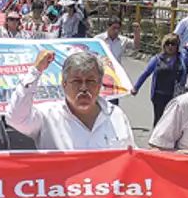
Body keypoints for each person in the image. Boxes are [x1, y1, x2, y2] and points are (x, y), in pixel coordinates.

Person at [7, 49, 135, 151]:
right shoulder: (48, 116)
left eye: (90, 81)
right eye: (77, 81)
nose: (84, 88)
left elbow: (131, 158)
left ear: (99, 84)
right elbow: (15, 119)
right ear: (64, 84)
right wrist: (36, 71)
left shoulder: (116, 115)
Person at [131, 33, 188, 126]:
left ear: (177, 46)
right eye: (168, 43)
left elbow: (186, 73)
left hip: (175, 95)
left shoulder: (182, 59)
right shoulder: (157, 59)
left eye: (173, 44)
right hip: (159, 95)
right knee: (159, 120)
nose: (170, 46)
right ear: (164, 45)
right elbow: (145, 74)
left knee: (172, 121)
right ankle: (155, 139)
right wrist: (136, 87)